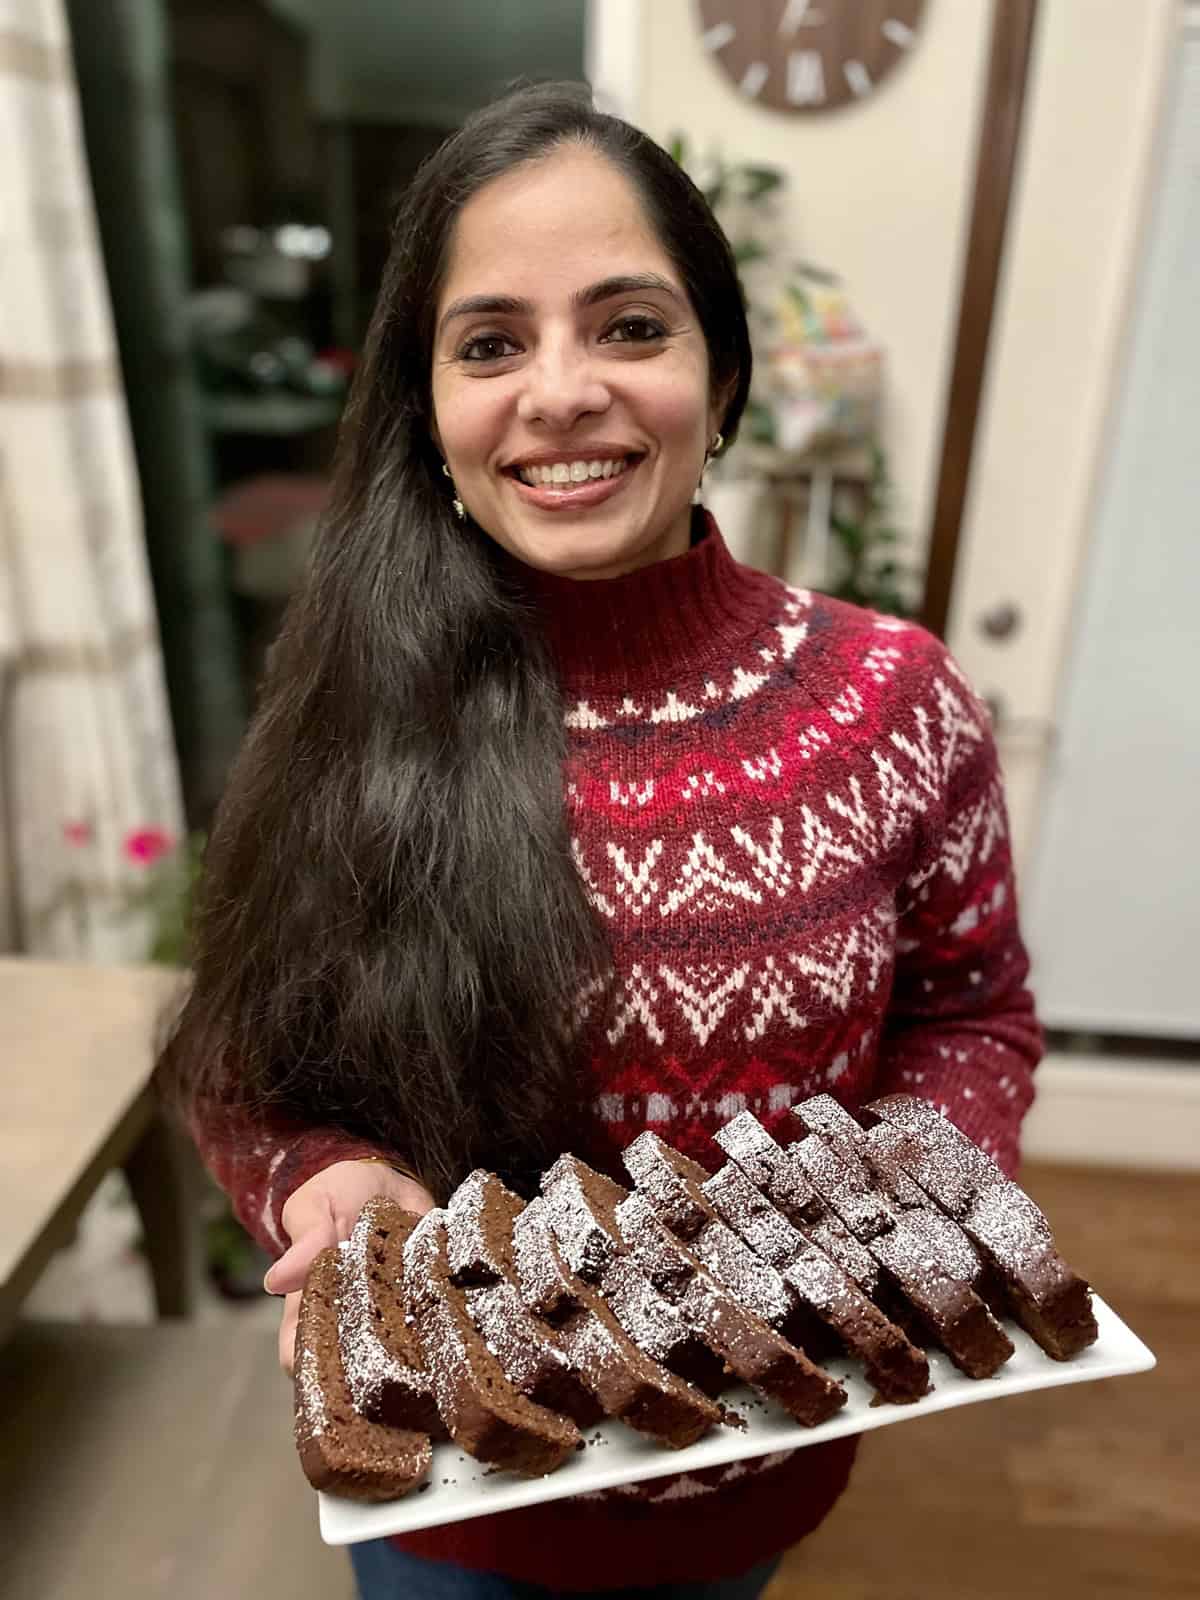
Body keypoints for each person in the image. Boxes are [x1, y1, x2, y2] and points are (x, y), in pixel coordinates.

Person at [159, 81, 1042, 1600]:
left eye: (630, 327)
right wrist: (324, 1181)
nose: (560, 391)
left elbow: (972, 1012)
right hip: (450, 1486)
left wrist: (904, 1195)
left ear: (720, 369)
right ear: (424, 405)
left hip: (761, 1455)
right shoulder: (350, 708)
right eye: (491, 342)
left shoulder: (892, 699)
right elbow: (243, 1066)